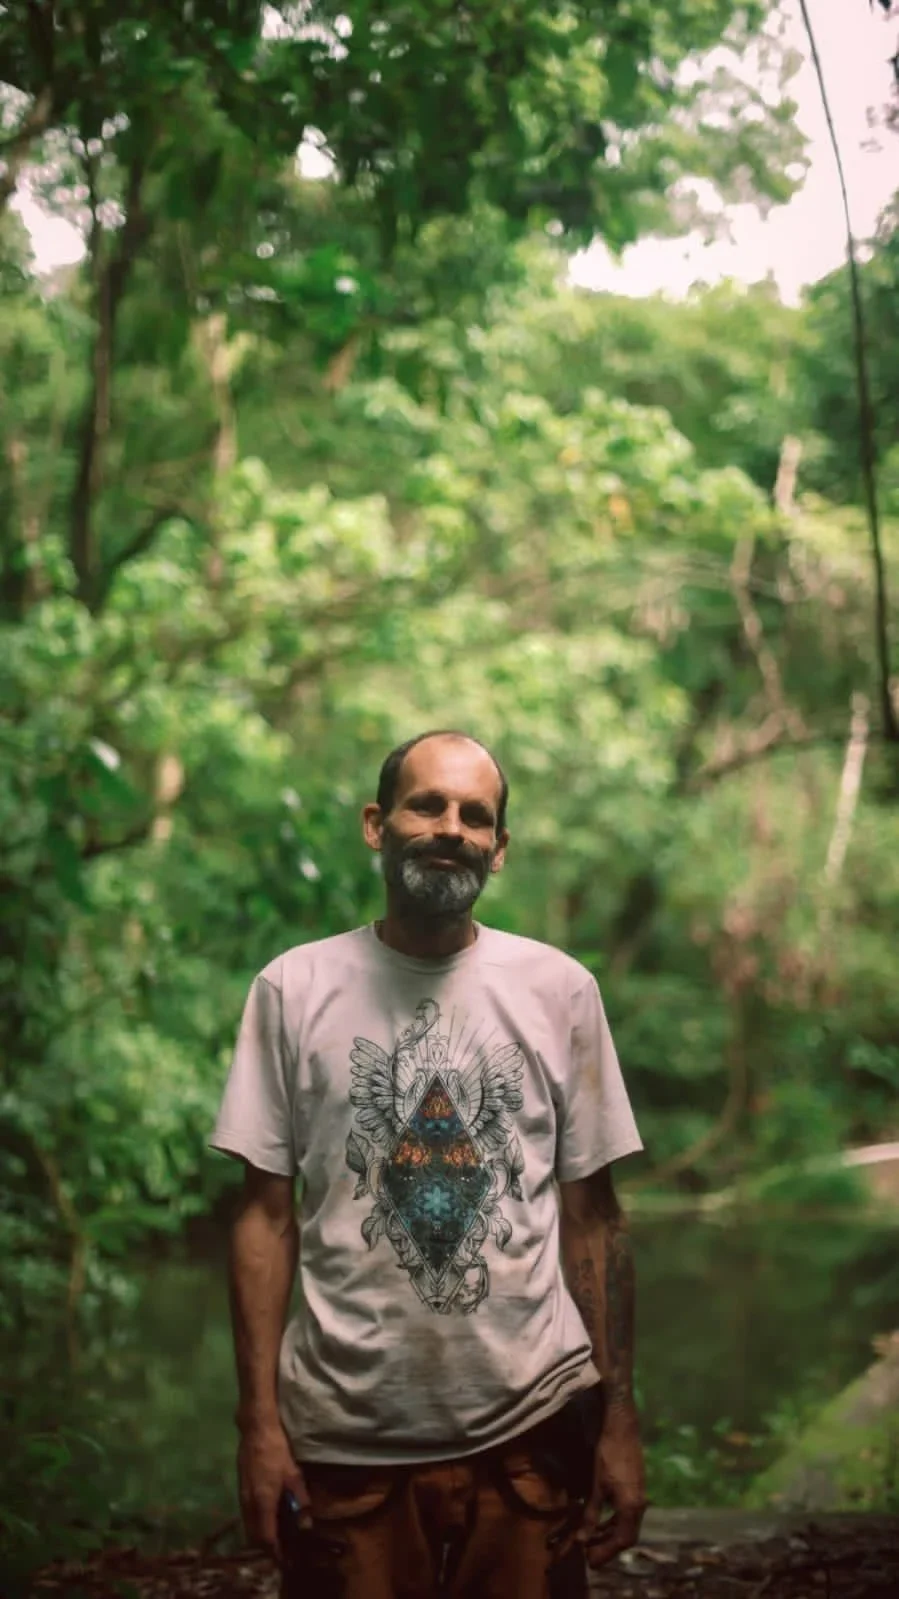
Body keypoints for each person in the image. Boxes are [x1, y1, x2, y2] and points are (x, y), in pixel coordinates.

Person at [211, 729, 646, 1599]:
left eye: (475, 815)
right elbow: (263, 1217)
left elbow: (593, 1216)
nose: (451, 828)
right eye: (427, 804)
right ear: (377, 823)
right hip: (347, 1439)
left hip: (531, 1434)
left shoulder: (560, 990)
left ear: (499, 846)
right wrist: (259, 1425)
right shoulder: (292, 988)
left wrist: (619, 1417)